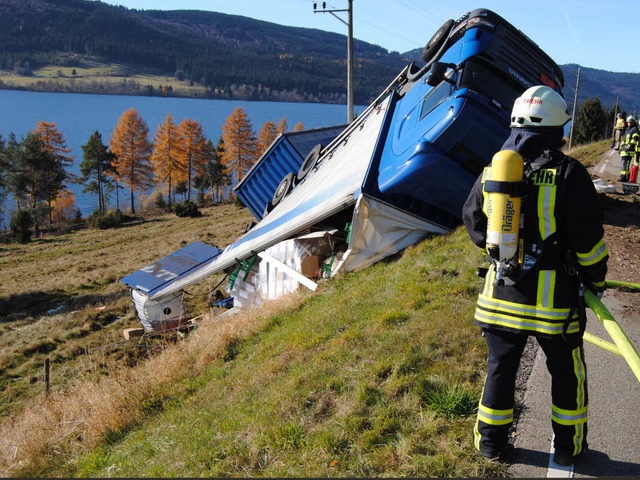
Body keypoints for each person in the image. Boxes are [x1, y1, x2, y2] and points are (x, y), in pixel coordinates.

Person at [462, 85, 609, 466]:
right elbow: (588, 238)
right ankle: (569, 447)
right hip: (553, 307)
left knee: (499, 372)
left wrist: (505, 252)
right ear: (559, 129)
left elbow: (474, 223)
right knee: (567, 375)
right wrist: (596, 278)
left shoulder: (495, 169)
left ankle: (490, 445)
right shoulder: (569, 174)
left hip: (499, 299)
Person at [619, 115, 639, 182]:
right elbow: (624, 140)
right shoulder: (627, 129)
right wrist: (621, 148)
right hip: (624, 151)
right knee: (623, 165)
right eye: (628, 122)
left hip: (629, 151)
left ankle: (624, 178)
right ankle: (623, 177)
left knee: (625, 166)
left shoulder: (634, 129)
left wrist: (630, 145)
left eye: (631, 122)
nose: (629, 123)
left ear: (633, 122)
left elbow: (635, 138)